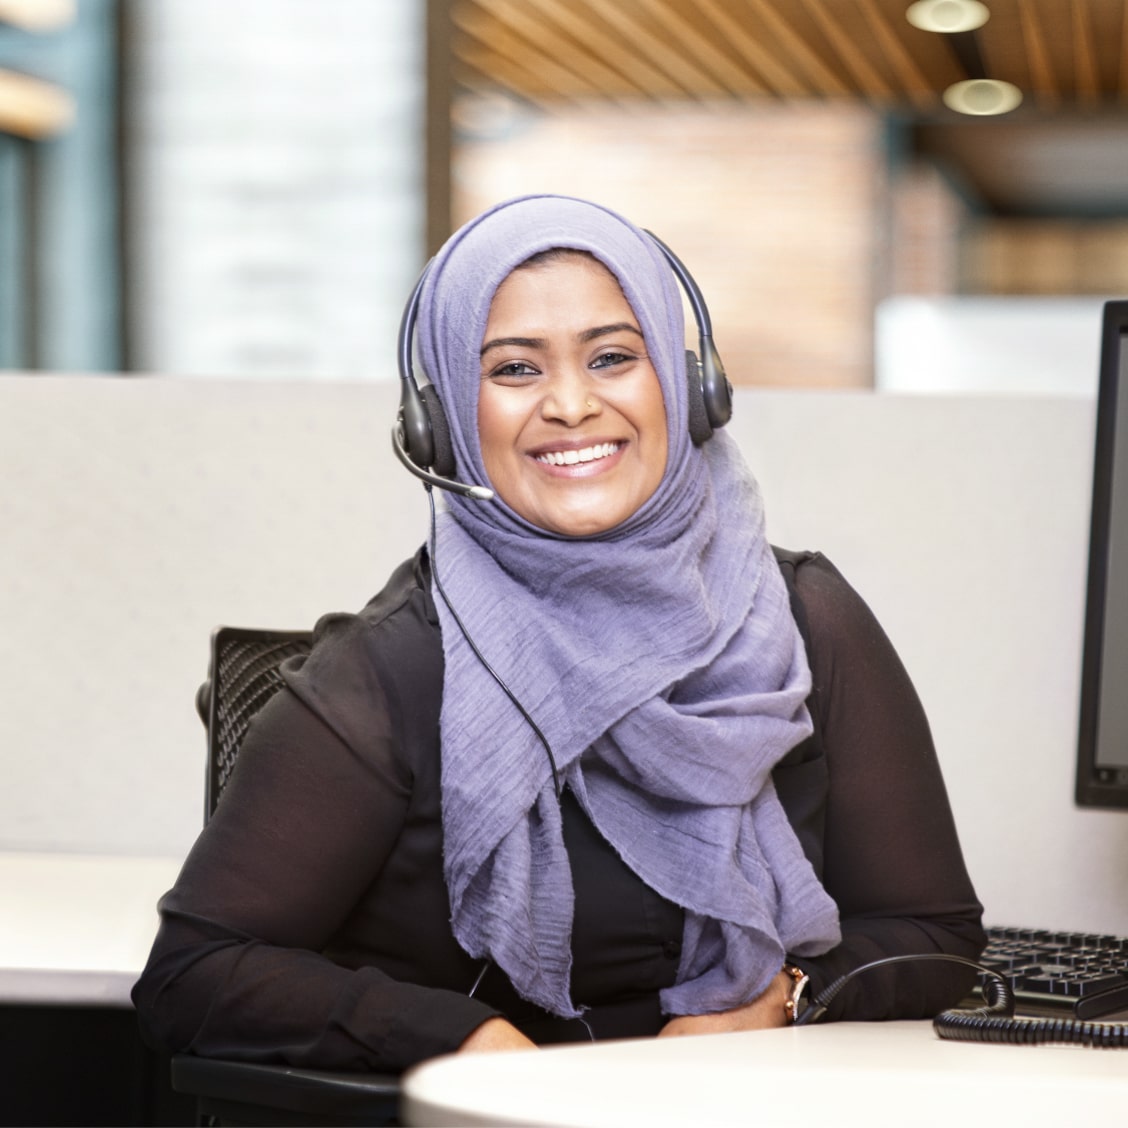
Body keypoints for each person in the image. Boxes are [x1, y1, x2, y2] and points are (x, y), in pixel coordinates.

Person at [132, 194, 986, 1071]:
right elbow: (196, 973)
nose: (572, 404)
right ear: (444, 424)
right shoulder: (392, 670)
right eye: (513, 370)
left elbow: (934, 934)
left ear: (689, 389)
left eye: (613, 357)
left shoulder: (807, 617)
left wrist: (781, 1000)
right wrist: (472, 1043)